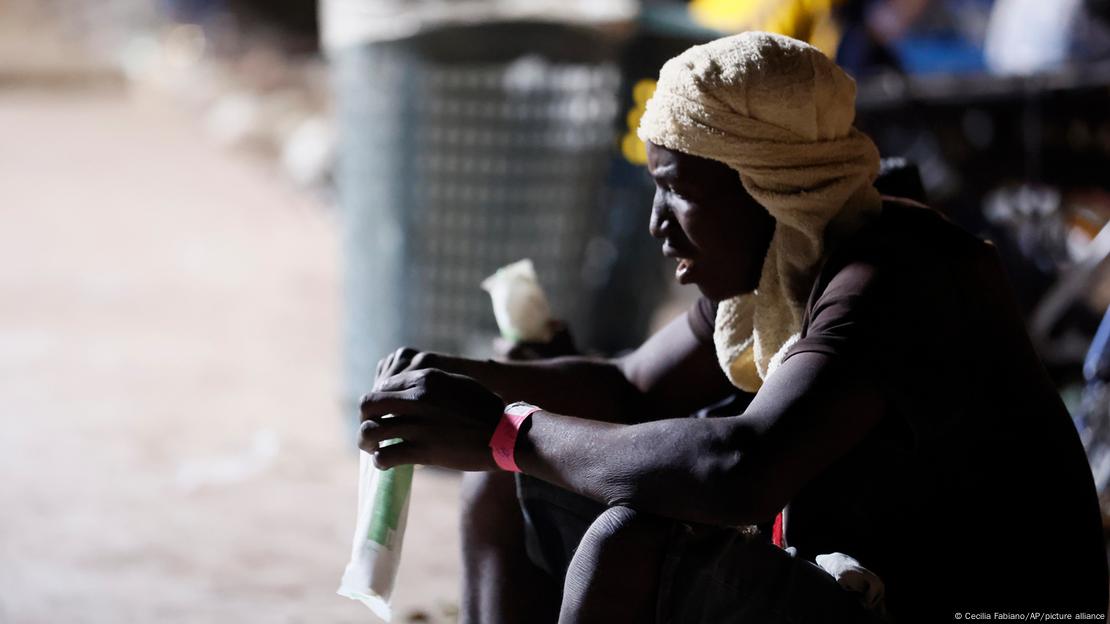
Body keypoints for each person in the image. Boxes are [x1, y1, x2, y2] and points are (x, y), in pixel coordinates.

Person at [358, 32, 1109, 623]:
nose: (658, 225)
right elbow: (628, 387)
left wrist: (507, 429)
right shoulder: (778, 264)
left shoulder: (898, 275)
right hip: (871, 585)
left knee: (626, 538)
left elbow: (737, 469)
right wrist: (455, 387)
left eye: (675, 192)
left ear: (770, 186)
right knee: (502, 488)